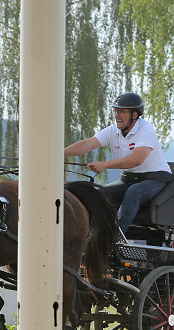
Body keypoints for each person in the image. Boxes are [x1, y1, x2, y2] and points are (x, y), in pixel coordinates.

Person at [64, 92, 173, 235]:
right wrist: (59, 153)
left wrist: (105, 165)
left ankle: (113, 237)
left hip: (156, 180)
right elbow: (86, 144)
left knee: (134, 192)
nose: (117, 115)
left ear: (134, 115)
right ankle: (91, 234)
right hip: (128, 179)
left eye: (122, 111)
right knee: (98, 195)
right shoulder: (112, 131)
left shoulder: (146, 130)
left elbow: (136, 160)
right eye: (116, 111)